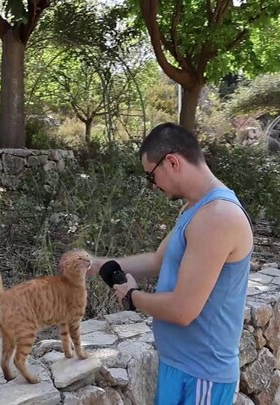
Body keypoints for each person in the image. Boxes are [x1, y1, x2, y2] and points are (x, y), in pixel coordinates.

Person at [88, 122, 253, 405]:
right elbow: (157, 259)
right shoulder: (195, 207)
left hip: (202, 375)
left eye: (151, 176)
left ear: (172, 162)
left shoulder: (219, 216)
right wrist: (95, 265)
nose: (153, 186)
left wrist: (132, 296)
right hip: (178, 365)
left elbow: (182, 310)